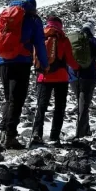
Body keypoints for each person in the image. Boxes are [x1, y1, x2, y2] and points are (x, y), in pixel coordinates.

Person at [0, 0, 48, 148]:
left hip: (3, 62)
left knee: (9, 99)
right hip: (21, 61)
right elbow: (40, 44)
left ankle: (4, 131)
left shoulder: (5, 16)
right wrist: (44, 64)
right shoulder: (33, 19)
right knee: (17, 100)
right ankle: (10, 136)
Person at [31, 16, 78, 144]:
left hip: (43, 77)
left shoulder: (41, 36)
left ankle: (37, 133)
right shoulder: (63, 38)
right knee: (59, 107)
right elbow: (70, 59)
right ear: (60, 25)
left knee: (41, 106)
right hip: (61, 78)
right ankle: (54, 136)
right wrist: (78, 68)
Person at [72, 22, 96, 139]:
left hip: (73, 76)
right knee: (84, 104)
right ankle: (80, 133)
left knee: (80, 102)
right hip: (88, 76)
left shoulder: (74, 39)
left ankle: (85, 129)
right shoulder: (94, 41)